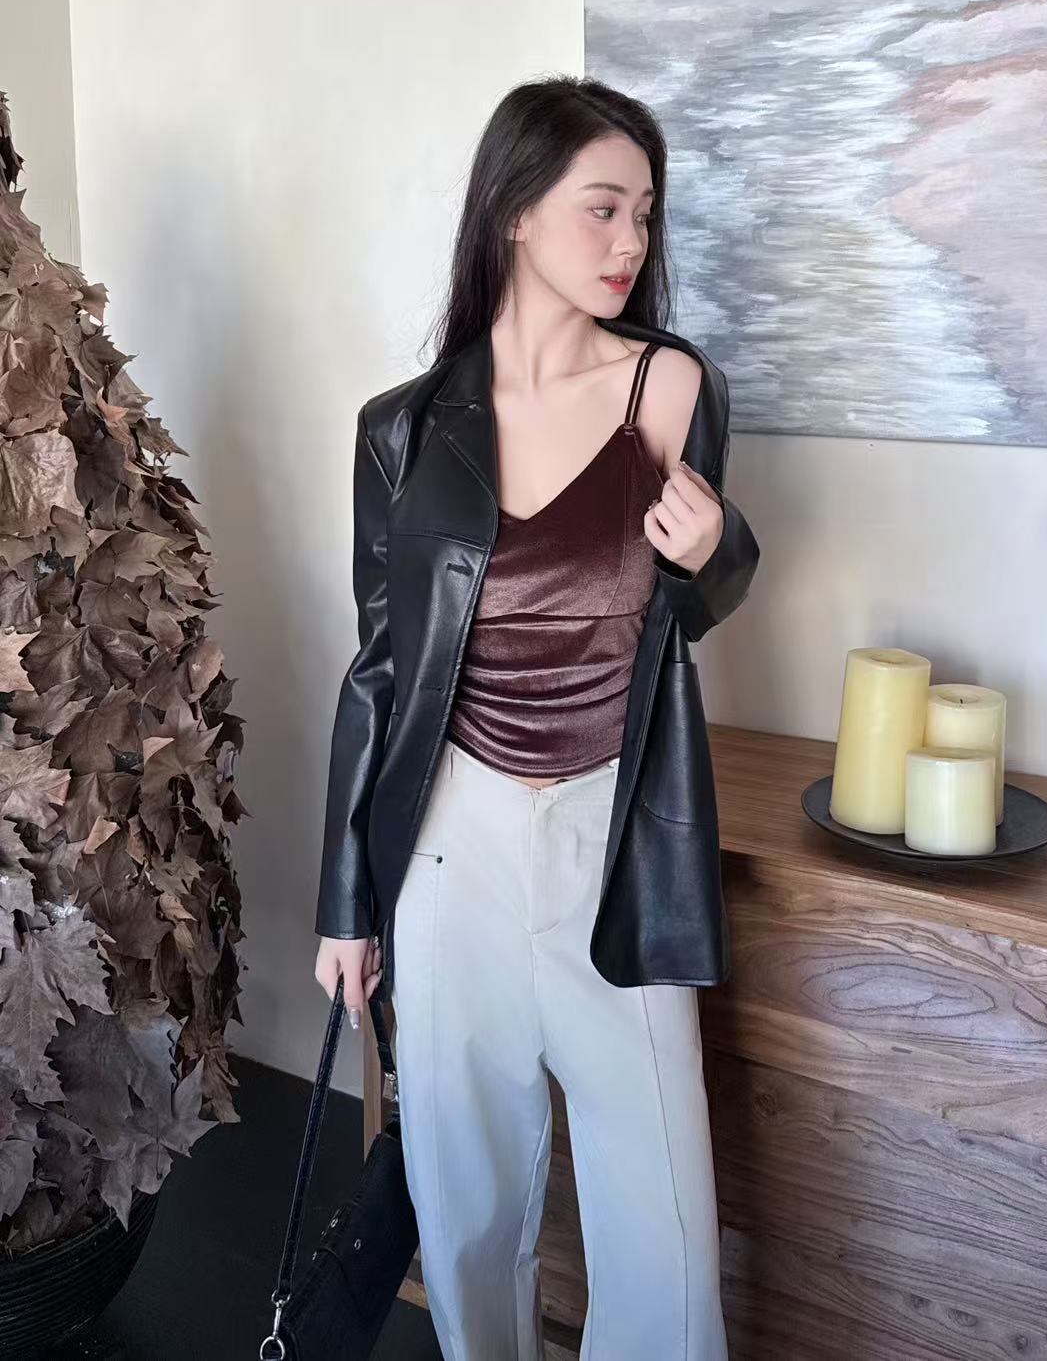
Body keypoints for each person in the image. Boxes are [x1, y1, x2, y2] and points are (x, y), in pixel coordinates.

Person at [313, 75, 760, 1360]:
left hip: (614, 839)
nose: (630, 242)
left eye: (643, 214)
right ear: (514, 210)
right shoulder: (401, 432)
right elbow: (378, 669)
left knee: (661, 1224)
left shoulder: (670, 389)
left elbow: (691, 605)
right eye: (601, 209)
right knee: (463, 1198)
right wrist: (346, 902)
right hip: (449, 848)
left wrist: (718, 550)